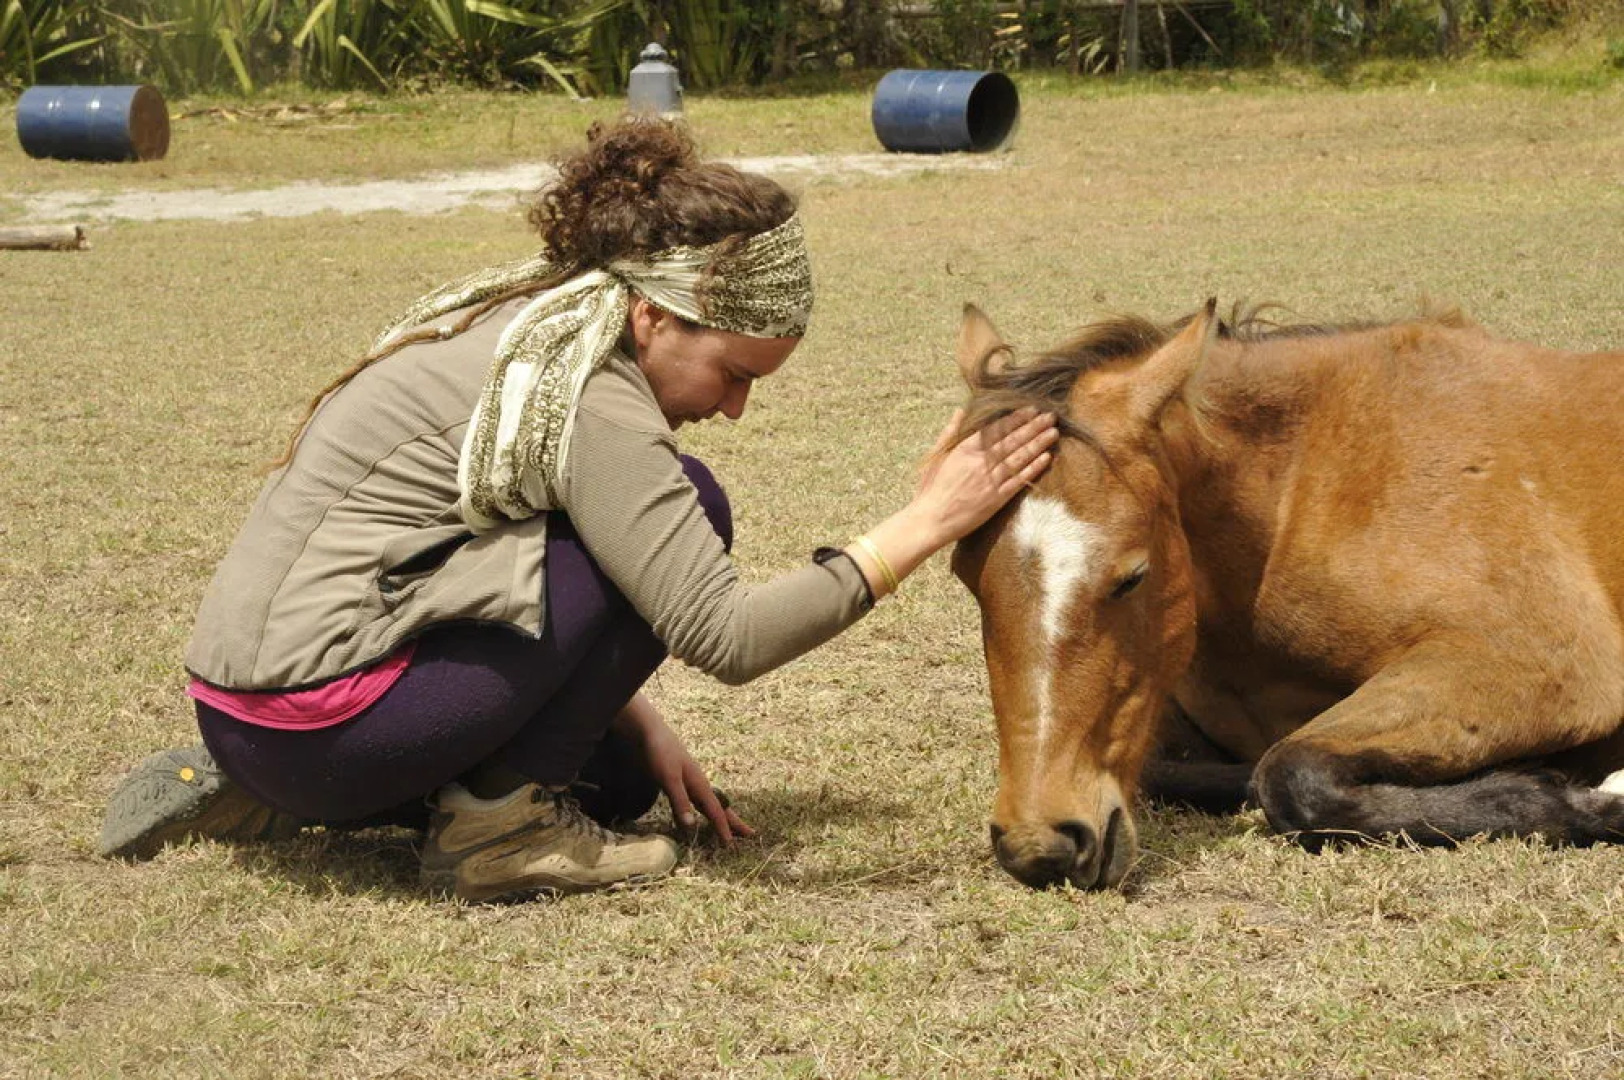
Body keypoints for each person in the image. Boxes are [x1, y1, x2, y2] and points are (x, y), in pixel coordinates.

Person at [98, 116, 1058, 903]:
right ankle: (492, 832)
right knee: (697, 502)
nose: (734, 407)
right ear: (656, 315)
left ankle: (271, 798)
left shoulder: (539, 325)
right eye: (733, 371)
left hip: (251, 719)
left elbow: (470, 560)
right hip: (320, 720)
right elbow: (726, 638)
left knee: (623, 782)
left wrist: (630, 714)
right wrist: (928, 519)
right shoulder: (594, 396)